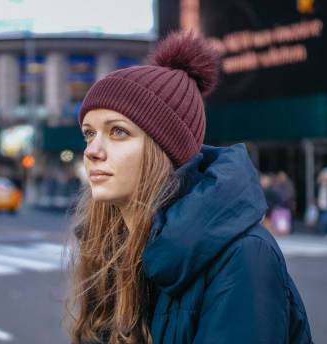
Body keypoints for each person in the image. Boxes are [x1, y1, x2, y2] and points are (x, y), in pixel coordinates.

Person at [64, 32, 312, 344]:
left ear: (165, 150)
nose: (92, 150)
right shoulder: (111, 245)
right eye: (89, 133)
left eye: (117, 131)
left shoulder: (244, 256)